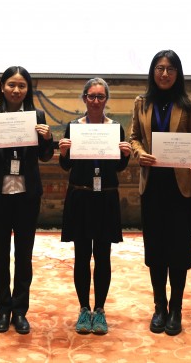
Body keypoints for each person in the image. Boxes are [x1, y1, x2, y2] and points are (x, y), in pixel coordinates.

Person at [129, 50, 191, 336]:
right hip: (153, 186)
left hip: (181, 187)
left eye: (171, 69)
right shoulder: (141, 103)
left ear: (178, 73)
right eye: (160, 68)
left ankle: (176, 308)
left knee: (178, 250)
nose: (165, 74)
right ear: (153, 71)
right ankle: (159, 306)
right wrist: (140, 154)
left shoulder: (187, 104)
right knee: (156, 250)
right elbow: (134, 137)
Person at [0, 66, 54, 335]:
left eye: (21, 85)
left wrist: (48, 138)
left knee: (24, 254)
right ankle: (3, 309)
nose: (16, 90)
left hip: (27, 194)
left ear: (28, 89)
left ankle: (20, 310)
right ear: (2, 87)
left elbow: (44, 156)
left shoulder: (37, 116)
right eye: (11, 85)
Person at [58, 78, 131, 335]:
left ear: (106, 100)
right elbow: (66, 166)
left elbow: (118, 167)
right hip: (80, 196)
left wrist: (125, 155)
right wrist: (63, 153)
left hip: (106, 198)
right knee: (81, 256)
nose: (96, 101)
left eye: (101, 96)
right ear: (84, 98)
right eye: (92, 96)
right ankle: (83, 309)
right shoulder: (73, 127)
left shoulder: (116, 129)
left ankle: (99, 310)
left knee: (102, 256)